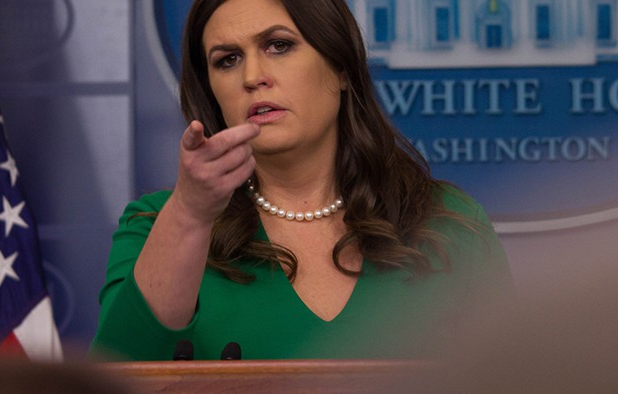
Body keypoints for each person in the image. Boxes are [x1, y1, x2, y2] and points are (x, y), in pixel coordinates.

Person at [90, 0, 512, 361]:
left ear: (341, 67)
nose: (252, 75)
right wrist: (190, 214)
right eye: (227, 59)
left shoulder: (448, 222)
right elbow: (116, 378)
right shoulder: (156, 225)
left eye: (278, 45)